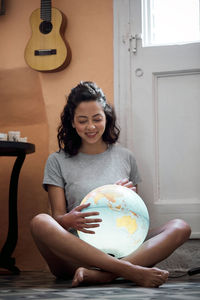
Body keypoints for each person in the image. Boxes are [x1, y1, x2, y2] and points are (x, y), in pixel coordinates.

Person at [30, 81, 191, 288]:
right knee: (39, 221)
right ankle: (127, 271)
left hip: (125, 251)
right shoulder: (57, 161)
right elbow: (57, 217)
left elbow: (138, 222)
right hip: (75, 257)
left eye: (97, 119)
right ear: (72, 122)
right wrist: (69, 220)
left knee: (180, 227)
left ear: (106, 117)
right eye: (82, 120)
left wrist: (130, 199)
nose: (91, 127)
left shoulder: (126, 157)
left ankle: (102, 276)